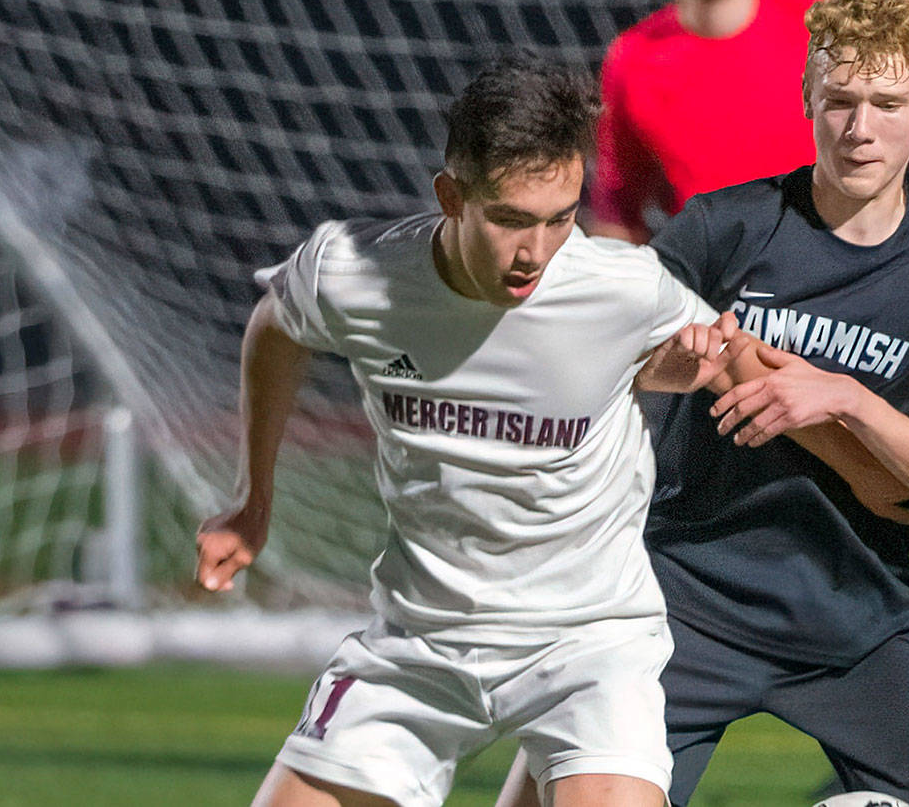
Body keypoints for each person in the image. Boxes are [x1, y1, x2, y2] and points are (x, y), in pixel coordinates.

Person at [499, 0, 909, 807]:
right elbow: (609, 351)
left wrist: (842, 396)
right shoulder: (725, 226)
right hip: (684, 603)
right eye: (841, 99)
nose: (861, 129)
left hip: (851, 618)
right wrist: (694, 358)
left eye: (888, 106)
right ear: (808, 97)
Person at [195, 56, 742, 807]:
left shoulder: (626, 287)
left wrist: (681, 369)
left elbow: (706, 364)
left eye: (561, 218)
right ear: (451, 196)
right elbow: (276, 327)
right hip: (420, 643)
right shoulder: (354, 274)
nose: (538, 252)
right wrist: (251, 500)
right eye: (513, 219)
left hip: (588, 644)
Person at [591, 0, 909, 244]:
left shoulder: (822, 24)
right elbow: (618, 211)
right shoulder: (632, 60)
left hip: (842, 274)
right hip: (713, 296)